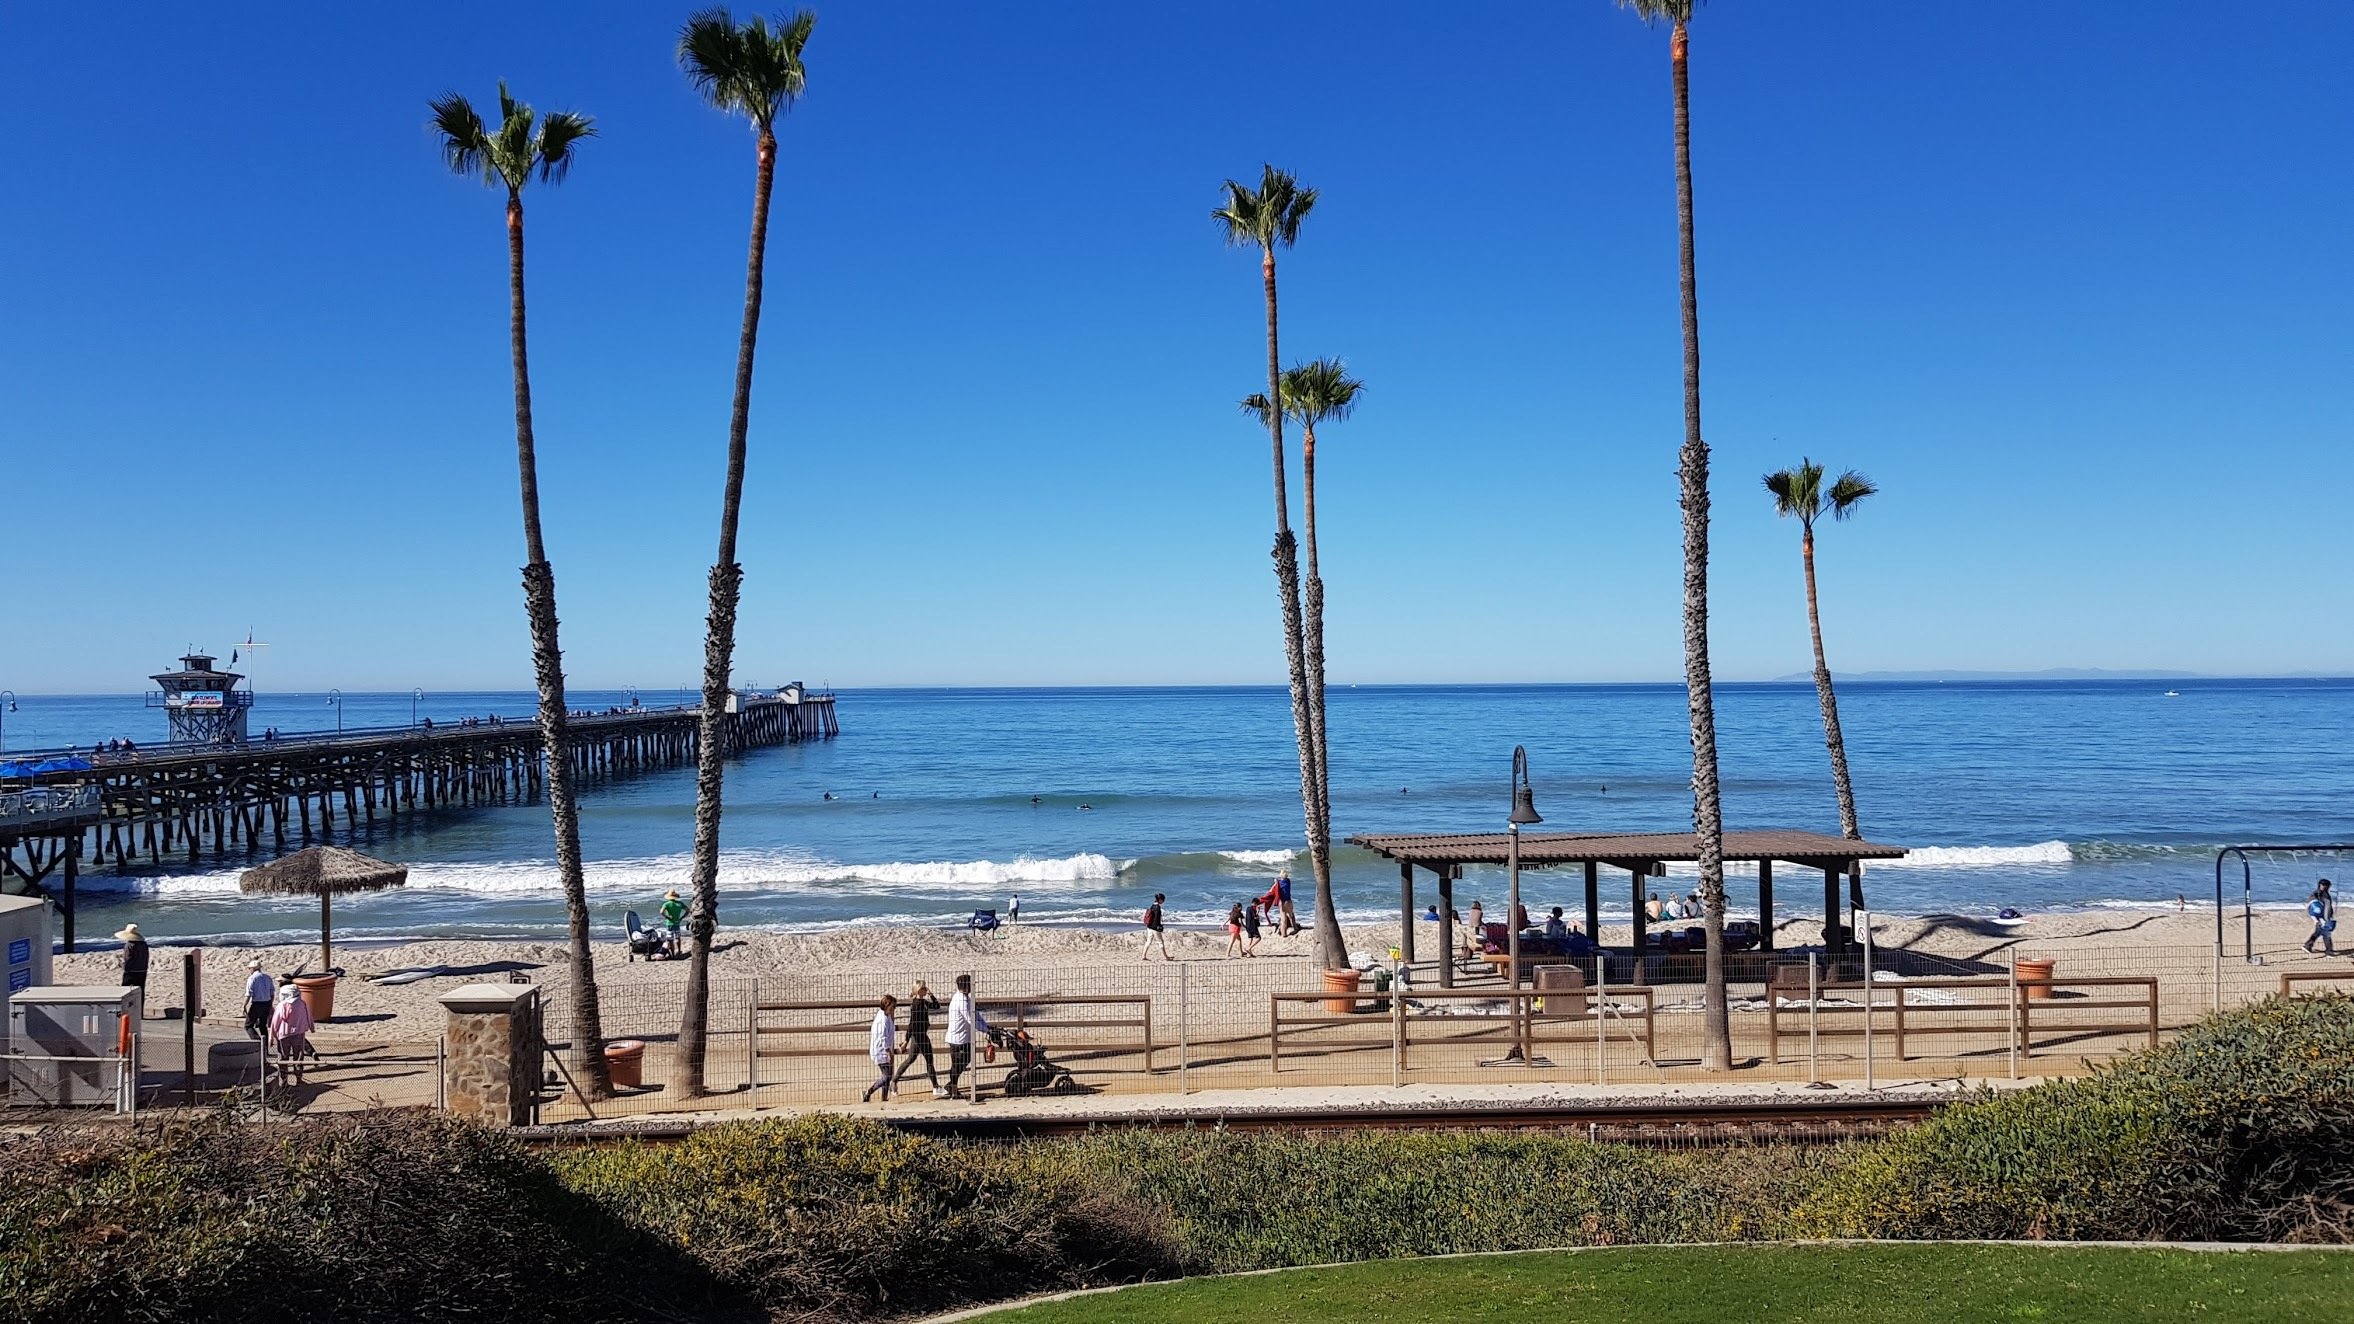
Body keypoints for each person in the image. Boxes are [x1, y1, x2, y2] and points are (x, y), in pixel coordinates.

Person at [944, 974, 991, 1103]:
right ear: (965, 986)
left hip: (963, 1037)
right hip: (958, 1038)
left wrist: (987, 1027)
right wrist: (986, 1030)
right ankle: (953, 1089)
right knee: (957, 1064)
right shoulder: (961, 1001)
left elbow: (976, 1015)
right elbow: (971, 1020)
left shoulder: (966, 999)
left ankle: (952, 1086)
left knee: (962, 1061)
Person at [894, 981, 943, 1096]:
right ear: (919, 990)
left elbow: (936, 1006)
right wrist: (906, 1039)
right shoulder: (917, 1004)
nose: (926, 989)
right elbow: (912, 1023)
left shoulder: (923, 1002)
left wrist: (932, 995)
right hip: (919, 1036)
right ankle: (935, 1087)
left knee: (911, 1059)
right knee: (929, 1061)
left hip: (919, 1035)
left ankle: (894, 1081)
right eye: (924, 988)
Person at [269, 981, 315, 1087]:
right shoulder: (302, 1003)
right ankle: (299, 1078)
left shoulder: (281, 1006)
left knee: (283, 1057)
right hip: (299, 1033)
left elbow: (274, 1022)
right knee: (298, 1056)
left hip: (283, 1035)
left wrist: (271, 1037)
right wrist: (311, 1027)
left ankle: (284, 1080)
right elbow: (309, 1016)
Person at [861, 994, 900, 1104]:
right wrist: (888, 1051)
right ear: (887, 1006)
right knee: (887, 1076)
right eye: (893, 1007)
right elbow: (883, 1037)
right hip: (881, 1051)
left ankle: (884, 1097)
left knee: (888, 1074)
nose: (894, 1010)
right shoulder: (882, 1020)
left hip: (885, 1050)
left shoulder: (886, 1016)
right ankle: (868, 1092)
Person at [116, 924, 149, 1012]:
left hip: (131, 970)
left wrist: (125, 968)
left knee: (125, 990)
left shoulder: (129, 945)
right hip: (142, 970)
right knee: (140, 991)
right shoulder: (143, 944)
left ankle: (125, 1010)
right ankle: (139, 1011)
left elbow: (128, 959)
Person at [242, 960, 276, 1040]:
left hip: (257, 1004)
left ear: (253, 969)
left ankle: (257, 1042)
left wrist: (244, 1006)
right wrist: (270, 1004)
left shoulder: (252, 978)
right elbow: (272, 992)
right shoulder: (267, 977)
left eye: (250, 968)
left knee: (248, 1025)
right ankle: (265, 1048)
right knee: (262, 1025)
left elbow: (248, 994)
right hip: (267, 1003)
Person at [2305, 878, 2338, 956]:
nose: (2326, 887)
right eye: (2324, 885)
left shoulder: (2326, 894)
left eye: (2327, 886)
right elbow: (2312, 906)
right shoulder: (2316, 894)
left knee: (2318, 933)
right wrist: (2316, 919)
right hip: (2321, 918)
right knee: (2326, 934)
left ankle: (2307, 945)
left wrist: (2330, 914)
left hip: (2326, 917)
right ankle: (2329, 951)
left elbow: (2328, 906)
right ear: (2320, 885)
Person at [1141, 892, 1171, 961]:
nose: (1163, 901)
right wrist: (1159, 927)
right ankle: (1166, 957)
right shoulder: (1158, 908)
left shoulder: (1152, 906)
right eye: (1163, 900)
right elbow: (1156, 919)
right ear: (1160, 900)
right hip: (1155, 928)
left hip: (1149, 926)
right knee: (1160, 942)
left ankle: (1143, 955)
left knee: (1148, 942)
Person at [659, 888, 687, 956]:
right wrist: (682, 917)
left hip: (669, 923)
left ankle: (673, 954)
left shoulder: (667, 904)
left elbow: (661, 912)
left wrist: (667, 917)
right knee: (677, 938)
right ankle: (679, 951)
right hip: (677, 922)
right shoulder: (680, 903)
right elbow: (688, 910)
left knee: (670, 939)